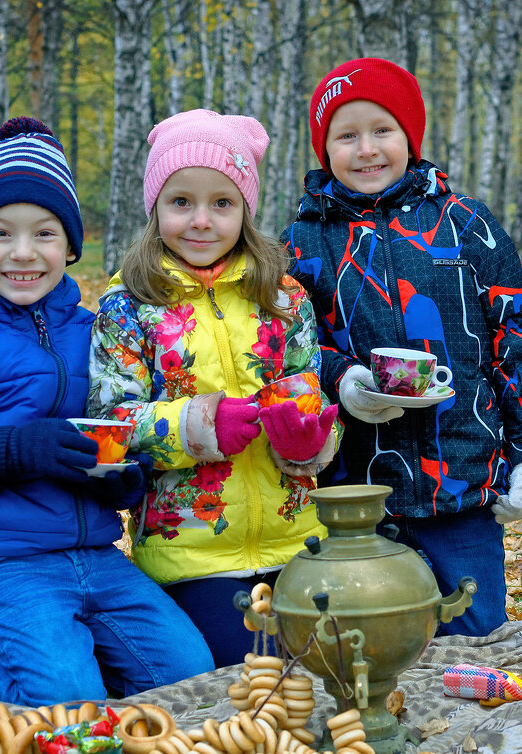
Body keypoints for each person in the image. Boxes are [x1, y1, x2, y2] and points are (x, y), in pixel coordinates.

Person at [0, 117, 214, 704]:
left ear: (71, 246)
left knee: (191, 681)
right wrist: (6, 449)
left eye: (46, 234)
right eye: (2, 234)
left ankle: (60, 651)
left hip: (94, 551)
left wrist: (121, 478)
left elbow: (120, 429)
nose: (23, 253)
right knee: (69, 709)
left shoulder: (93, 330)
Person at [283, 59, 522, 637]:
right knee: (369, 644)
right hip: (355, 492)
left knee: (477, 638)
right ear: (323, 148)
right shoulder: (302, 242)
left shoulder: (467, 226)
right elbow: (290, 346)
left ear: (409, 135)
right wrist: (343, 381)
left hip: (460, 483)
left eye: (382, 130)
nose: (367, 150)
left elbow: (521, 338)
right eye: (346, 135)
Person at [86, 109, 339, 667]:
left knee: (331, 671)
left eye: (221, 203)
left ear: (245, 209)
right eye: (181, 202)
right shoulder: (130, 306)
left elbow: (309, 394)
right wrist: (200, 426)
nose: (201, 220)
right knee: (251, 675)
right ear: (155, 209)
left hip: (298, 540)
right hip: (192, 554)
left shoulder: (283, 297)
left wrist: (306, 443)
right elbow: (110, 424)